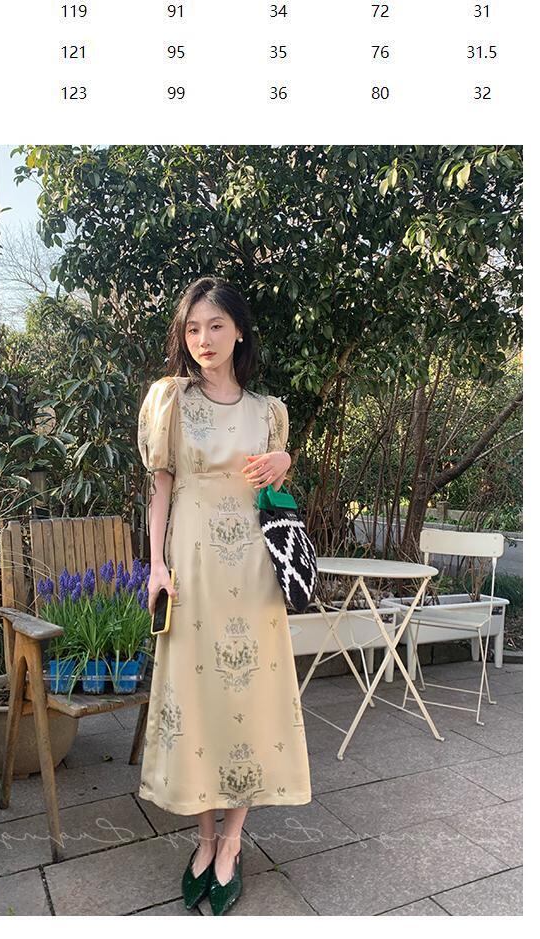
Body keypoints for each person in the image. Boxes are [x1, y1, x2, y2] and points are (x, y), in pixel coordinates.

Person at [136, 276, 312, 915]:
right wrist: (156, 566)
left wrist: (284, 460)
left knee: (250, 697)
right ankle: (204, 838)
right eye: (192, 328)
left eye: (215, 325)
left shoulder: (269, 412)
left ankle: (232, 842)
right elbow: (161, 488)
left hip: (254, 574)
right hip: (193, 568)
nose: (203, 339)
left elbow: (271, 481)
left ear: (239, 331)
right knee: (200, 699)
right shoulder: (171, 401)